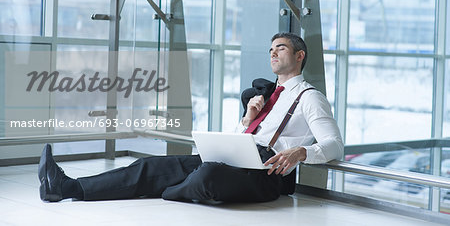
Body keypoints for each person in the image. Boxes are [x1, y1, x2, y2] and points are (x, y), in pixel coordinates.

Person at [38, 32, 344, 203]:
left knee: (207, 176)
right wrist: (246, 120)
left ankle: (166, 189)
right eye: (270, 49)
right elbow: (242, 142)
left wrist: (302, 152)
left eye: (281, 48)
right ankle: (66, 187)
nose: (273, 54)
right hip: (237, 160)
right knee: (150, 165)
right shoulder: (264, 97)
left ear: (300, 56)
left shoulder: (310, 97)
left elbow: (334, 145)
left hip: (266, 177)